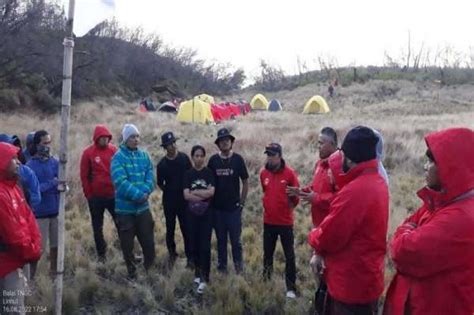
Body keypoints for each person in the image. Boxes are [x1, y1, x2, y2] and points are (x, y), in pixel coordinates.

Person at [383, 128, 474, 315]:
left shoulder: (460, 217)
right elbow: (412, 221)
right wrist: (410, 227)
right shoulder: (445, 201)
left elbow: (403, 251)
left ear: (452, 166)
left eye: (432, 161)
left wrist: (406, 230)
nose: (425, 166)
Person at [308, 126, 389, 315]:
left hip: (351, 286)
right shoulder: (376, 181)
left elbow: (329, 236)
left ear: (350, 159)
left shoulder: (355, 192)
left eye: (342, 154)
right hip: (366, 278)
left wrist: (313, 235)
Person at [0, 143, 41, 314]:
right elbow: (12, 234)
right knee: (14, 310)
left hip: (18, 260)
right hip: (7, 264)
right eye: (13, 158)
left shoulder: (14, 188)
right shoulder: (2, 195)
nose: (18, 162)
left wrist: (35, 245)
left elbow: (29, 219)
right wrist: (32, 252)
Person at [111, 124, 155, 279]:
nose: (136, 139)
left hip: (143, 209)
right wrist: (138, 195)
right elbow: (120, 182)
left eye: (137, 136)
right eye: (132, 137)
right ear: (125, 139)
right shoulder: (118, 158)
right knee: (127, 245)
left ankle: (149, 269)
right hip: (125, 211)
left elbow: (151, 176)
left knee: (148, 241)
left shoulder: (144, 156)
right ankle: (132, 272)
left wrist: (146, 191)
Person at [260, 143, 300, 299]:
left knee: (289, 255)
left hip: (285, 223)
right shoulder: (263, 173)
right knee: (267, 254)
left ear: (280, 156)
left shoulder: (290, 174)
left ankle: (290, 288)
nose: (270, 158)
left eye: (272, 155)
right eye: (268, 154)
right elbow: (265, 191)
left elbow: (295, 197)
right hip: (268, 221)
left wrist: (286, 208)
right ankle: (266, 281)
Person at [208, 128, 249, 274]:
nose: (224, 142)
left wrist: (242, 203)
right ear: (218, 144)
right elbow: (209, 183)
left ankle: (239, 267)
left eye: (227, 140)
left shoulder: (238, 160)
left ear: (231, 142)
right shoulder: (213, 161)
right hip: (217, 209)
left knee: (236, 241)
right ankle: (222, 267)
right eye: (221, 140)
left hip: (234, 209)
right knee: (220, 240)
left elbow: (245, 181)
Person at [80, 125, 118, 262]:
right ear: (97, 138)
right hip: (96, 197)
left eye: (107, 138)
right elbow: (84, 176)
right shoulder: (88, 153)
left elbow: (120, 170)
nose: (105, 141)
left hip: (113, 195)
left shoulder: (114, 150)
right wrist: (89, 195)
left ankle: (126, 250)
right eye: (102, 138)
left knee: (121, 223)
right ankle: (101, 255)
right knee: (97, 227)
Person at [288, 127, 339, 227]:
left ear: (332, 144)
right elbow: (316, 188)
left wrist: (316, 198)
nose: (318, 146)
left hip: (333, 226)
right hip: (318, 224)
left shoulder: (339, 167)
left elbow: (341, 197)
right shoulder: (319, 164)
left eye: (321, 143)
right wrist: (302, 191)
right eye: (318, 143)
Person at [27, 130, 60, 276]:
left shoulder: (55, 162)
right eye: (44, 143)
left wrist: (62, 186)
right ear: (37, 144)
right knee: (38, 250)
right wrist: (52, 183)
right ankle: (30, 278)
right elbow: (34, 190)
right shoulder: (30, 166)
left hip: (56, 211)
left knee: (55, 246)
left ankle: (54, 273)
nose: (48, 146)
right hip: (40, 214)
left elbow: (61, 181)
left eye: (49, 142)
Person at [156, 132, 192, 266]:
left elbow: (190, 175)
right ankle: (172, 254)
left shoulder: (184, 158)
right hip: (169, 202)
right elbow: (160, 183)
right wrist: (169, 191)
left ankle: (190, 257)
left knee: (186, 228)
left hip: (184, 201)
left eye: (173, 143)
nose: (172, 146)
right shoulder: (161, 165)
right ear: (165, 147)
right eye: (168, 145)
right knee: (170, 228)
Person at [183, 145, 215, 294]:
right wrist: (202, 194)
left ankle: (205, 277)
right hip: (191, 214)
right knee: (194, 244)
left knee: (205, 245)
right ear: (192, 157)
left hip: (207, 214)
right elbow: (186, 195)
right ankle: (197, 273)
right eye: (196, 155)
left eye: (202, 155)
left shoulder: (209, 173)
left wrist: (195, 192)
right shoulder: (188, 174)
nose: (199, 158)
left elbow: (212, 192)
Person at [0, 134, 41, 208]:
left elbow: (36, 197)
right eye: (9, 147)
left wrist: (20, 206)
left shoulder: (26, 171)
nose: (14, 148)